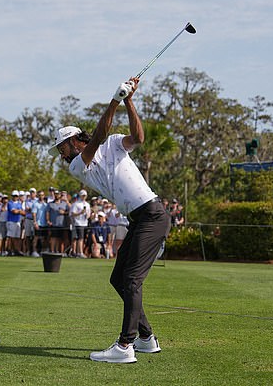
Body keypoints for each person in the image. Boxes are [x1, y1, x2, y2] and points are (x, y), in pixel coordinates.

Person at [48, 77, 170, 363]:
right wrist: (115, 100)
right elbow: (99, 137)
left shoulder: (114, 143)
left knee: (131, 278)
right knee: (119, 279)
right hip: (139, 219)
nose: (62, 155)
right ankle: (146, 338)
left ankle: (125, 346)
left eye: (63, 147)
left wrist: (127, 101)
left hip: (152, 214)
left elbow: (138, 138)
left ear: (75, 139)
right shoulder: (79, 165)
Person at [70, 189, 91, 258]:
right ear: (80, 196)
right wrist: (80, 213)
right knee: (80, 238)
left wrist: (87, 215)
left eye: (85, 196)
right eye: (82, 196)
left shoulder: (87, 204)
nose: (84, 197)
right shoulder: (76, 204)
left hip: (85, 223)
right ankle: (80, 252)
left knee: (82, 238)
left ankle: (79, 252)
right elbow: (72, 214)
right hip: (78, 223)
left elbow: (89, 213)